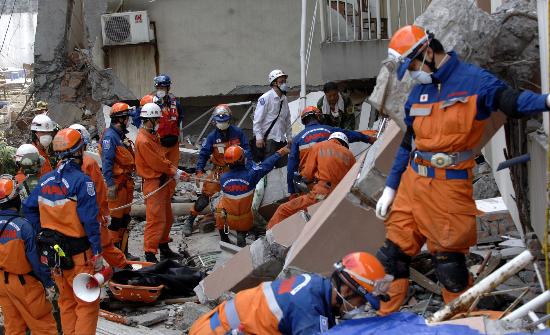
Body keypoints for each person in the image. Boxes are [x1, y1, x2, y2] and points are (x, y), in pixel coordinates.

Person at [374, 25, 550, 315]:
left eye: (414, 65)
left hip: (447, 189)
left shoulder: (474, 82)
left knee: (449, 267)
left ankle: (460, 322)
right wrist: (391, 188)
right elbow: (407, 143)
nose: (414, 73)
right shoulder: (418, 93)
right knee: (390, 258)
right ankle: (382, 318)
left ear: (429, 52)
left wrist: (545, 102)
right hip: (411, 185)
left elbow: (512, 102)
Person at [190, 252, 392, 335]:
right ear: (346, 290)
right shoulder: (309, 312)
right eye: (361, 300)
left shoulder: (315, 285)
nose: (360, 308)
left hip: (212, 326)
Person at [24, 128, 103, 335]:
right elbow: (90, 221)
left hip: (55, 256)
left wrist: (42, 232)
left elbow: (29, 208)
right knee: (87, 304)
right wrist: (98, 252)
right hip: (79, 256)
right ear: (79, 151)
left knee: (66, 302)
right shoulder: (82, 182)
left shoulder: (45, 181)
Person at [182, 105, 253, 237]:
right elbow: (203, 154)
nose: (222, 124)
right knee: (205, 197)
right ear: (214, 121)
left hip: (236, 170)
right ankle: (190, 219)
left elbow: (247, 150)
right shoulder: (212, 137)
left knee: (241, 196)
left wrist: (249, 167)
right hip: (219, 171)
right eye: (219, 122)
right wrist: (199, 171)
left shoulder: (238, 133)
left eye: (224, 121)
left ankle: (240, 227)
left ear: (229, 119)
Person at [0, 175, 57, 335]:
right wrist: (48, 283)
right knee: (44, 327)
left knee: (13, 327)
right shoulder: (24, 227)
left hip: (2, 285)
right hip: (24, 284)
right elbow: (36, 262)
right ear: (15, 200)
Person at [135, 103, 190, 263]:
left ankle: (164, 248)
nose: (159, 122)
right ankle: (150, 255)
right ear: (150, 119)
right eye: (157, 119)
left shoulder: (152, 136)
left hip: (161, 181)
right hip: (154, 183)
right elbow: (157, 162)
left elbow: (162, 158)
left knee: (166, 217)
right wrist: (175, 171)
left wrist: (174, 171)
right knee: (155, 220)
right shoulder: (144, 140)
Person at [71, 124, 130, 270]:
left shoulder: (60, 166)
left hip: (72, 217)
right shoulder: (89, 163)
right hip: (91, 215)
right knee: (106, 244)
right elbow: (99, 191)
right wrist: (104, 213)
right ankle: (122, 270)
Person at [268, 132, 356, 228]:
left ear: (331, 138)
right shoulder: (350, 156)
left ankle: (267, 240)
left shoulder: (319, 146)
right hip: (340, 198)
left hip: (321, 193)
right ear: (344, 144)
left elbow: (307, 175)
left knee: (283, 209)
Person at [287, 106, 376, 196]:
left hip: (310, 185)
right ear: (318, 116)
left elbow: (291, 167)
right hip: (332, 180)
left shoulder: (297, 139)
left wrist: (292, 192)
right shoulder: (329, 130)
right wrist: (368, 139)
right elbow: (349, 134)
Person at [215, 145, 288, 247]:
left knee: (218, 205)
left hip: (225, 219)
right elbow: (266, 165)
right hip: (244, 220)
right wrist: (280, 152)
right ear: (242, 160)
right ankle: (241, 235)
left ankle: (224, 238)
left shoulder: (223, 178)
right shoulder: (251, 176)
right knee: (248, 212)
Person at [100, 102, 137, 260]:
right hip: (117, 184)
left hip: (125, 183)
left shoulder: (120, 136)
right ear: (121, 119)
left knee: (125, 219)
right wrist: (110, 185)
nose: (129, 120)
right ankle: (115, 258)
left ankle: (124, 252)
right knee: (116, 221)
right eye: (127, 117)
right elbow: (107, 162)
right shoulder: (110, 137)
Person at [252, 69, 292, 167]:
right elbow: (257, 120)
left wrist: (289, 137)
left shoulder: (284, 99)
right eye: (281, 82)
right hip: (269, 140)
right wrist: (259, 138)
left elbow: (287, 119)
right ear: (274, 83)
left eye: (284, 81)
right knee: (267, 168)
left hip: (281, 140)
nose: (284, 84)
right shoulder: (265, 98)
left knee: (283, 168)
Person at [152, 74, 184, 167]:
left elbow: (180, 117)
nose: (161, 90)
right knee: (160, 169)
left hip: (173, 144)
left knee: (173, 170)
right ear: (156, 88)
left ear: (168, 88)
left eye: (164, 87)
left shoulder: (175, 103)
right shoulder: (151, 103)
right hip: (159, 144)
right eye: (159, 87)